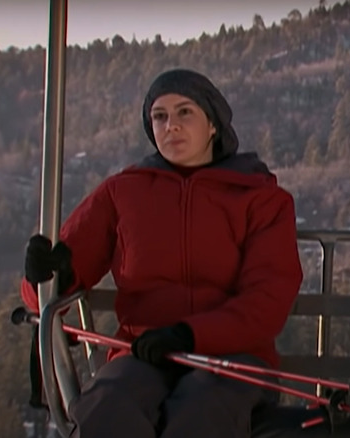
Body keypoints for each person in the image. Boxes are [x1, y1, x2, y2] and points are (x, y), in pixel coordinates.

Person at [20, 68, 303, 437]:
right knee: (107, 406)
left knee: (200, 414)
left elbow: (267, 299)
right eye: (160, 116)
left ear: (213, 124)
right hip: (143, 353)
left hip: (232, 358)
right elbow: (47, 294)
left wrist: (189, 334)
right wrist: (42, 275)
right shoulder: (123, 193)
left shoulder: (260, 198)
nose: (171, 126)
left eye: (185, 112)